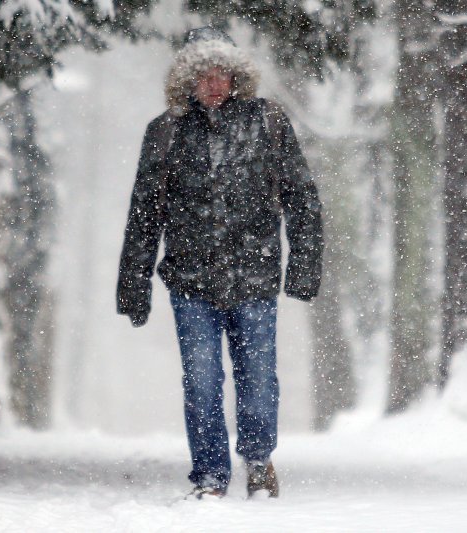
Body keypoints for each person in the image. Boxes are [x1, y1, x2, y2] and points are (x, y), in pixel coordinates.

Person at [116, 27, 323, 500]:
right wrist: (134, 285)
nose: (214, 84)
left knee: (257, 381)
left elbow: (302, 198)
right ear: (187, 79)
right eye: (204, 75)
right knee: (203, 382)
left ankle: (257, 460)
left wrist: (304, 269)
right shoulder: (165, 132)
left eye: (222, 74)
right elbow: (145, 214)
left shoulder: (268, 122)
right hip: (190, 281)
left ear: (236, 77)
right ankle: (209, 477)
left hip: (255, 276)